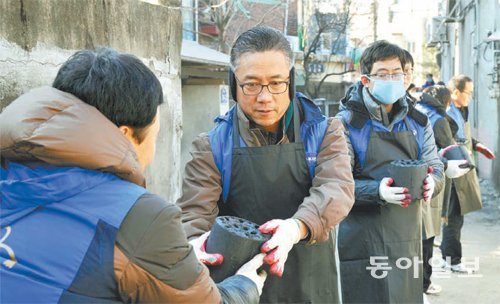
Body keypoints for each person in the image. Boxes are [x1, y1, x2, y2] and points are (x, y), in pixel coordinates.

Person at [0, 48, 267, 303]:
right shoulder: (140, 216)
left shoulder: (9, 174)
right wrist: (244, 286)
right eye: (155, 135)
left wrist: (176, 261)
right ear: (126, 135)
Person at [177, 26, 355, 303]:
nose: (264, 97)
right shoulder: (211, 145)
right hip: (240, 286)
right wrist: (193, 244)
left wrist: (296, 228)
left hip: (312, 283)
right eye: (251, 84)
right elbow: (194, 214)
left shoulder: (324, 132)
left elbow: (336, 188)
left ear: (291, 81)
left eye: (276, 83)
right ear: (234, 83)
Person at [336, 40, 444, 303]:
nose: (392, 79)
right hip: (362, 236)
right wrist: (377, 191)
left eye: (397, 73)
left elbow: (436, 166)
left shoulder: (419, 121)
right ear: (365, 80)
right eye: (382, 74)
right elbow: (338, 184)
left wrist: (433, 181)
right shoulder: (346, 124)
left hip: (407, 236)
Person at [415, 85, 472, 295]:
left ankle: (419, 283)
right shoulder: (439, 119)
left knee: (420, 234)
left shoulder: (418, 110)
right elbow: (449, 150)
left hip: (416, 178)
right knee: (428, 233)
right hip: (433, 179)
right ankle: (423, 284)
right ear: (447, 100)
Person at [440, 74, 496, 273]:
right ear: (455, 93)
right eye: (468, 93)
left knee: (457, 216)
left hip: (463, 168)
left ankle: (449, 256)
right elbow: (448, 143)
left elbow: (466, 138)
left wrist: (478, 146)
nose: (470, 97)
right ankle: (452, 260)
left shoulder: (461, 111)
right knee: (452, 217)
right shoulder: (446, 114)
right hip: (454, 171)